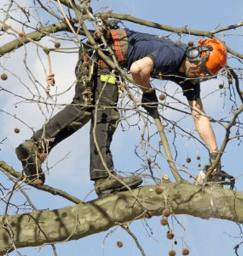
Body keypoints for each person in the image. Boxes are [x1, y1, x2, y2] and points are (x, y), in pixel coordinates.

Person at [15, 26, 227, 197]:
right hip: (105, 56)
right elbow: (137, 69)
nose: (198, 75)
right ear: (195, 54)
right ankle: (103, 177)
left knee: (84, 106)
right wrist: (148, 92)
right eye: (200, 69)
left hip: (101, 55)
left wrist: (214, 155)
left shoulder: (190, 79)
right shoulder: (172, 54)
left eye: (204, 75)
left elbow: (199, 114)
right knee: (105, 113)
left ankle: (33, 147)